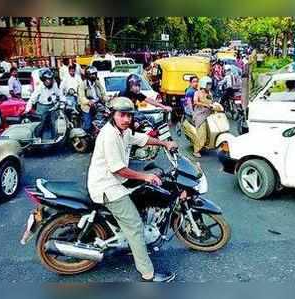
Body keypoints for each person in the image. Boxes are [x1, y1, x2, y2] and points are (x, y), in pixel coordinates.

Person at [87, 97, 177, 282]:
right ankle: (148, 273)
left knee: (145, 191)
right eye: (122, 115)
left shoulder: (123, 131)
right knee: (135, 226)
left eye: (129, 115)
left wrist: (164, 143)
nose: (127, 119)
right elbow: (118, 169)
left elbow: (141, 139)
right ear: (113, 115)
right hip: (107, 186)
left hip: (116, 181)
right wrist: (145, 176)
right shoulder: (109, 135)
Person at [25, 68, 62, 142]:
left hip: (52, 107)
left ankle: (55, 140)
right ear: (43, 80)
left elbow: (60, 94)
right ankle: (37, 139)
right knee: (40, 124)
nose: (49, 81)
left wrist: (64, 100)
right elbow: (32, 99)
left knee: (54, 123)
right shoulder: (40, 87)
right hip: (42, 108)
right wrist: (27, 109)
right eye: (47, 79)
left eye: (50, 79)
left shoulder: (54, 85)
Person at [78, 66, 108, 132]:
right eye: (92, 74)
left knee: (108, 117)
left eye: (95, 74)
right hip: (87, 106)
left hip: (98, 104)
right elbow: (81, 97)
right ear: (88, 75)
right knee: (88, 126)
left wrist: (108, 99)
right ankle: (88, 137)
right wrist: (88, 102)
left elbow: (103, 93)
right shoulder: (83, 84)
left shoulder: (97, 83)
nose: (94, 76)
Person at [192, 76, 214, 158]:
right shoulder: (197, 93)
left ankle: (205, 145)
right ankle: (196, 150)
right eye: (208, 84)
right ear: (203, 84)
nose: (209, 86)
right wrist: (206, 105)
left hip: (209, 115)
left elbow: (212, 102)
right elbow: (195, 102)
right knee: (202, 134)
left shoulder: (209, 93)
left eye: (210, 84)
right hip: (200, 115)